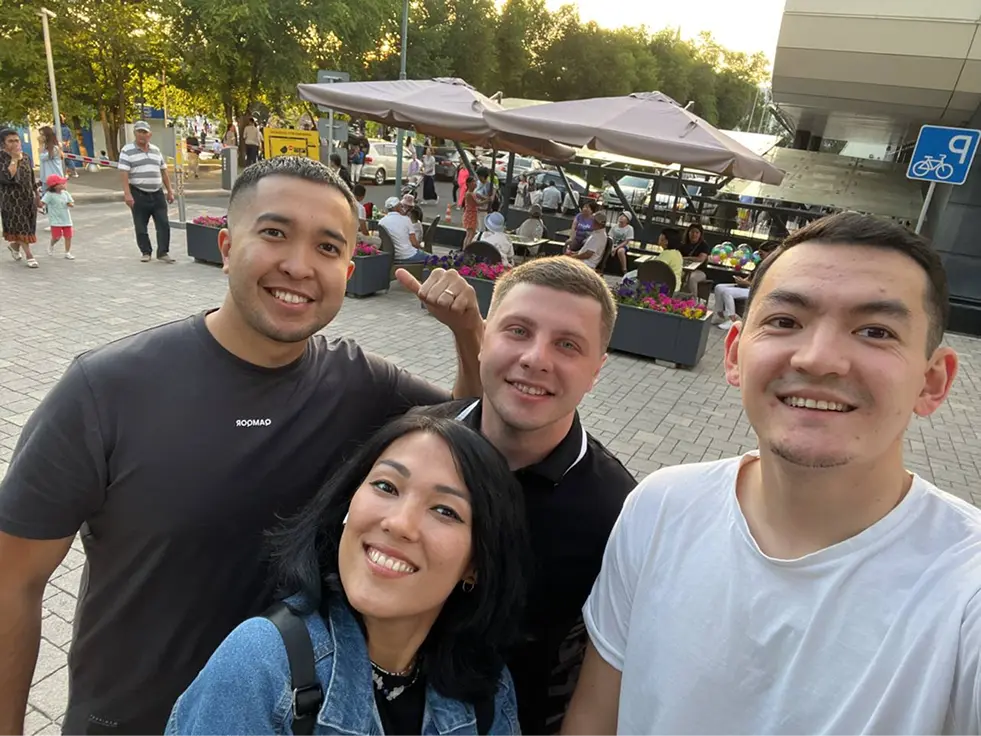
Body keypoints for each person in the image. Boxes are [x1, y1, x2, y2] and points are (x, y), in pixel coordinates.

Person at [0, 157, 487, 736]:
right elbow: (13, 582)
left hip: (286, 720)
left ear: (348, 269)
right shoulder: (106, 390)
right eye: (275, 233)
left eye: (327, 247)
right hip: (132, 718)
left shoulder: (360, 384)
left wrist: (468, 333)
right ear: (227, 247)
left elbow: (469, 429)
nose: (299, 266)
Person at [563, 212, 976, 736]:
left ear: (933, 382)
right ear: (735, 353)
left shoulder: (964, 588)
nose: (819, 359)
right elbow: (595, 717)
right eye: (785, 321)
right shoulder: (661, 507)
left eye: (875, 331)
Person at [166, 415, 528, 735]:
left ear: (475, 564)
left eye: (445, 510)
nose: (399, 523)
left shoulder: (488, 690)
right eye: (386, 486)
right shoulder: (262, 666)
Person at [413, 257, 635, 735]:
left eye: (568, 344)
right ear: (484, 338)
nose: (536, 358)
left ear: (596, 371)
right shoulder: (414, 447)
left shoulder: (619, 513)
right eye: (518, 331)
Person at [118, 120, 175, 264]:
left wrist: (169, 190)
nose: (142, 135)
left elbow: (164, 171)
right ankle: (146, 251)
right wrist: (127, 194)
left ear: (150, 134)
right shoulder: (127, 150)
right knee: (140, 225)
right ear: (135, 133)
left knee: (163, 223)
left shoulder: (156, 150)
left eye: (144, 132)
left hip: (157, 193)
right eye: (139, 132)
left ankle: (163, 252)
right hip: (138, 193)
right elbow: (124, 173)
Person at [712, 240, 779, 330]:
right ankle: (719, 314)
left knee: (727, 292)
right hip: (748, 286)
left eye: (762, 254)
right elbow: (751, 276)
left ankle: (732, 320)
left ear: (771, 252)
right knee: (718, 287)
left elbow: (764, 285)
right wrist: (742, 280)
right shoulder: (760, 263)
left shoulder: (773, 267)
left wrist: (747, 283)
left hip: (756, 290)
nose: (759, 256)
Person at [0, 128, 41, 268]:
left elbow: (31, 177)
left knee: (28, 227)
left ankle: (14, 246)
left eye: (16, 140)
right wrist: (14, 159)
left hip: (28, 198)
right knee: (21, 226)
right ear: (3, 143)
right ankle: (29, 255)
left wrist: (37, 195)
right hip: (11, 200)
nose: (14, 144)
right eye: (10, 141)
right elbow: (7, 177)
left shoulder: (26, 157)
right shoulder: (1, 157)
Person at [379, 196, 427, 263]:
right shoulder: (406, 220)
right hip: (409, 255)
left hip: (392, 256)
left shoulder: (381, 222)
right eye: (401, 206)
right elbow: (414, 243)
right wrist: (421, 249)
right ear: (397, 207)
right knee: (436, 259)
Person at [41, 174, 75, 260]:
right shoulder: (49, 195)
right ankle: (51, 244)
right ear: (55, 186)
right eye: (61, 183)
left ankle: (67, 252)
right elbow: (42, 203)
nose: (64, 184)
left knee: (68, 236)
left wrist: (70, 204)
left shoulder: (65, 193)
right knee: (57, 237)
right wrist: (40, 206)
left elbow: (71, 202)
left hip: (66, 219)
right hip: (55, 220)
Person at [680, 222, 711, 296]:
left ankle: (693, 300)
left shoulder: (704, 245)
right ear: (688, 233)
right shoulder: (683, 244)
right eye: (692, 232)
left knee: (691, 278)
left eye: (697, 232)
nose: (694, 234)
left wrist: (685, 258)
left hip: (699, 271)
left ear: (700, 234)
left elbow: (701, 259)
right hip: (683, 269)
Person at [38, 126, 65, 194]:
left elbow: (42, 157)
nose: (40, 137)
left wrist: (40, 144)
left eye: (42, 135)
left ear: (47, 135)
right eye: (40, 134)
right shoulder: (45, 147)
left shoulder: (54, 148)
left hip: (54, 179)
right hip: (46, 179)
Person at [463, 176, 480, 247]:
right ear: (468, 184)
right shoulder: (469, 194)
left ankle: (465, 249)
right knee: (470, 234)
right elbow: (477, 203)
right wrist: (487, 200)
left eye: (475, 181)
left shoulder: (473, 193)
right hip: (470, 215)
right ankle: (466, 249)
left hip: (472, 214)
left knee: (470, 234)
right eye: (473, 182)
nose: (475, 183)